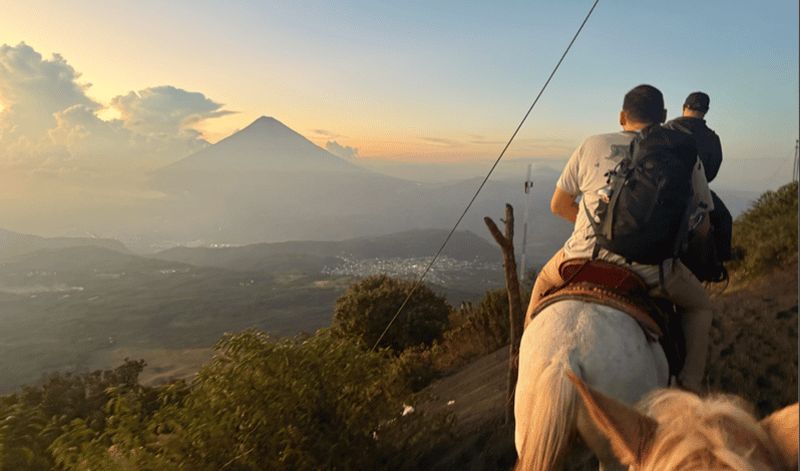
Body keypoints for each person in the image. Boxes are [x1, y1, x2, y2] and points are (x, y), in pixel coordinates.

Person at [526, 84, 714, 393]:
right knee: (700, 307)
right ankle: (690, 388)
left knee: (541, 284)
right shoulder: (681, 152)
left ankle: (524, 364)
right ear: (664, 117)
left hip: (581, 256)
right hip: (650, 268)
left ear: (621, 116)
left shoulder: (592, 144)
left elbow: (558, 205)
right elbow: (704, 225)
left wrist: (600, 227)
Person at [665, 91, 723, 182]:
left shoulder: (665, 130)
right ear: (706, 111)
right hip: (696, 191)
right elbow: (711, 172)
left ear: (684, 107)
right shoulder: (712, 139)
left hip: (662, 191)